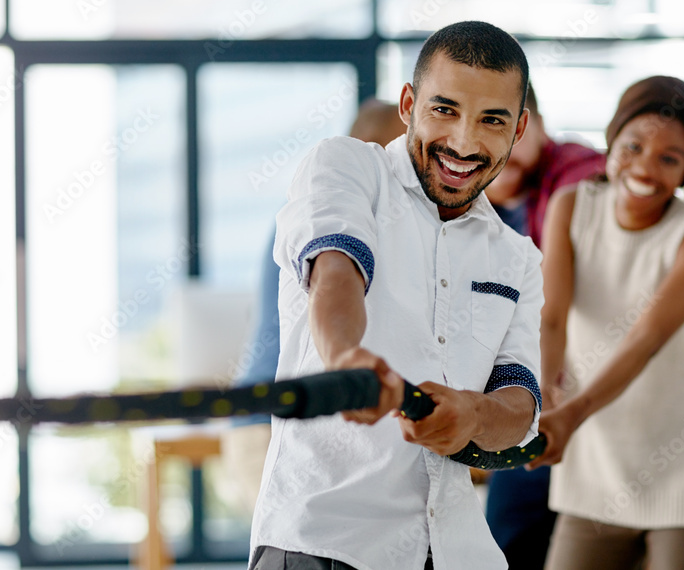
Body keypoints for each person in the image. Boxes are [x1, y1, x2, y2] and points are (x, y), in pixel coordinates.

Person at [249, 21, 544, 570]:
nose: (463, 141)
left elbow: (521, 403)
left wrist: (475, 415)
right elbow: (337, 268)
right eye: (444, 110)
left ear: (519, 127)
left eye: (492, 120)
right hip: (324, 544)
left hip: (457, 553)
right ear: (409, 103)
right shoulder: (347, 166)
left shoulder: (519, 257)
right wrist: (346, 361)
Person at [527, 76, 684, 570]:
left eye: (669, 158)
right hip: (594, 471)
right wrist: (541, 394)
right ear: (611, 138)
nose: (646, 166)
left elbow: (645, 338)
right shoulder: (572, 206)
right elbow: (552, 316)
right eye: (634, 146)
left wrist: (571, 414)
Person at [221, 99, 407, 515]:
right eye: (392, 150)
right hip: (270, 423)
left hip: (291, 415)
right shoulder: (327, 212)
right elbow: (337, 283)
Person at [482, 81, 605, 569]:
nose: (504, 152)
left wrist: (544, 389)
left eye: (514, 132)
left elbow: (552, 310)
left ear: (536, 126)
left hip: (567, 387)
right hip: (525, 387)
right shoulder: (487, 202)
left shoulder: (575, 179)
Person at [483, 81, 606, 247]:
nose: (498, 151)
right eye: (479, 133)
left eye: (512, 131)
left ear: (540, 126)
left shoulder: (574, 169)